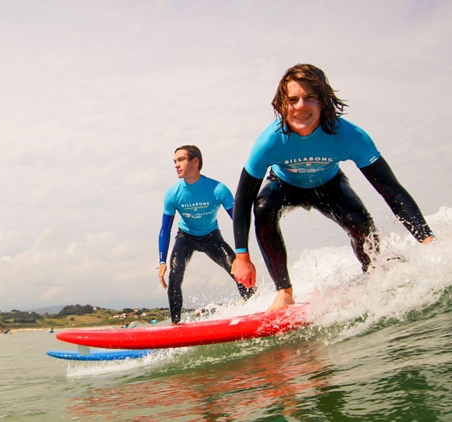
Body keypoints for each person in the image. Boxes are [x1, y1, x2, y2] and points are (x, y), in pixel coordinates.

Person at [231, 63, 436, 312]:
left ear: (323, 102)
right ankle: (284, 292)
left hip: (329, 184)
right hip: (284, 184)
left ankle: (376, 276)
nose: (301, 106)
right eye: (293, 99)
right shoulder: (270, 142)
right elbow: (243, 200)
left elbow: (391, 191)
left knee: (358, 221)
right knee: (263, 208)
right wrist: (242, 256)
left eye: (310, 98)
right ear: (283, 105)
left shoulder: (349, 135)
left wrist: (427, 240)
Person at [158, 145, 255, 323]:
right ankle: (176, 323)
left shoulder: (217, 189)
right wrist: (162, 261)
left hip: (212, 237)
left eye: (180, 160)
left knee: (236, 269)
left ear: (195, 161)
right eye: (174, 161)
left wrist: (244, 253)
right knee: (175, 273)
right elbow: (165, 229)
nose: (176, 165)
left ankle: (255, 306)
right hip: (185, 237)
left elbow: (239, 219)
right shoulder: (172, 194)